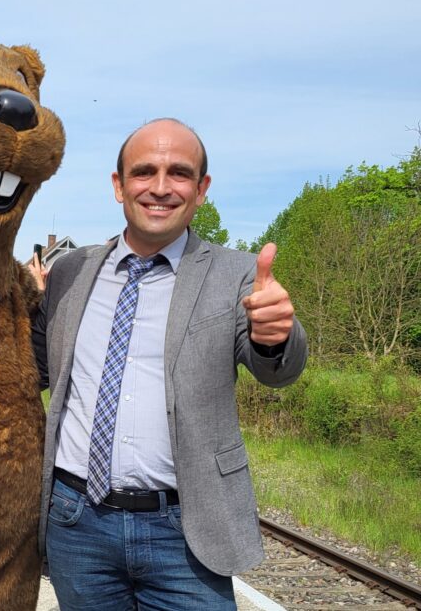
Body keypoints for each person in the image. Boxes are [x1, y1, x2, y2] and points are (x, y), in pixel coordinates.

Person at [30, 118, 307, 610]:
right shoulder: (70, 272)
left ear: (201, 190)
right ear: (119, 186)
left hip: (185, 529)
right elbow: (31, 370)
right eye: (144, 172)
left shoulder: (236, 273)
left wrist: (275, 337)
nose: (160, 188)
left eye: (179, 173)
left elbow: (276, 370)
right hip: (78, 524)